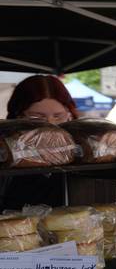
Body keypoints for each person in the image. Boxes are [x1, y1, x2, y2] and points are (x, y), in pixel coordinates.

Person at [0, 75, 79, 210]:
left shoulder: (84, 151)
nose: (50, 124)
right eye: (37, 117)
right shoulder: (6, 154)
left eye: (58, 116)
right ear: (18, 116)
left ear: (69, 115)